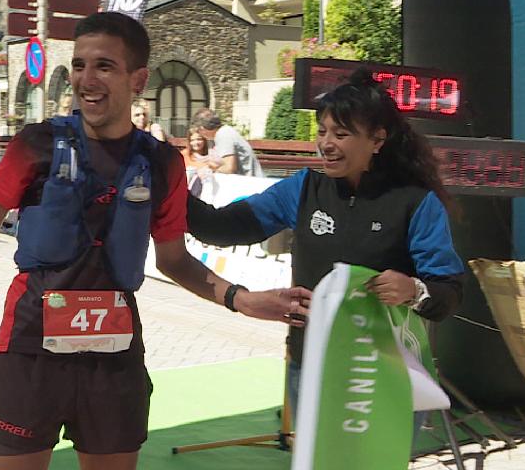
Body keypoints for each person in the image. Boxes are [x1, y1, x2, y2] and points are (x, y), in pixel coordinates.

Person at [0, 11, 309, 470]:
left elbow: (174, 260)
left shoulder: (163, 164)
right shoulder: (36, 144)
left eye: (104, 66)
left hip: (114, 361)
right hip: (28, 349)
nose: (86, 79)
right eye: (79, 65)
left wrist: (241, 299)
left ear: (138, 79)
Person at [186, 70, 465, 416]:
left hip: (384, 371)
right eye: (322, 132)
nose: (326, 143)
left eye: (342, 134)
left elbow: (448, 292)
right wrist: (164, 185)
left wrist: (414, 289)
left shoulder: (415, 202)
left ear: (378, 140)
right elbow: (219, 228)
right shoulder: (303, 189)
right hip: (311, 366)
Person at [191, 108, 263, 177]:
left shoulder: (224, 135)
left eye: (198, 130)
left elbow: (229, 168)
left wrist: (209, 172)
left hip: (250, 184)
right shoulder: (221, 133)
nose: (200, 134)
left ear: (202, 128)